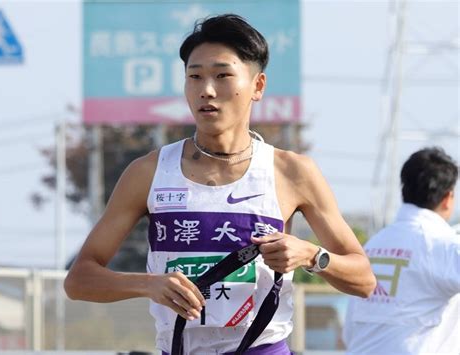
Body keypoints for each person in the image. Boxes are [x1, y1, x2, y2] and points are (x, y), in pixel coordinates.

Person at [65, 14, 375, 354]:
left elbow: (363, 279)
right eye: (194, 76)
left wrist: (311, 255)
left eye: (223, 75)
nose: (206, 90)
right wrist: (149, 285)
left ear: (257, 86)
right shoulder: (149, 172)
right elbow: (79, 279)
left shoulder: (292, 172)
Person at [343, 147, 460, 354]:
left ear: (404, 190)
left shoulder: (373, 245)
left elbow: (350, 330)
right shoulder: (443, 245)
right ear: (448, 197)